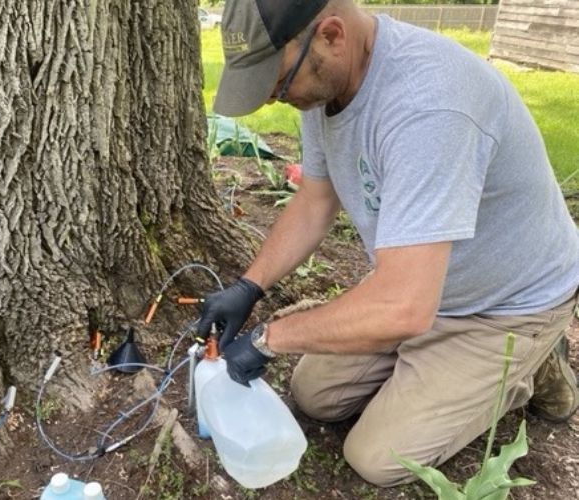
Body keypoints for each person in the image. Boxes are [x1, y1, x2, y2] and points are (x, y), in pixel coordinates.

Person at [198, 0, 579, 487]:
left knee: (376, 456)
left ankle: (533, 364)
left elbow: (403, 307)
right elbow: (315, 200)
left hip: (505, 305)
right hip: (422, 285)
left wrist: (268, 339)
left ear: (331, 35)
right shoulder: (326, 82)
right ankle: (434, 366)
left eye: (279, 85)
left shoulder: (431, 106)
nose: (278, 100)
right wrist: (250, 286)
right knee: (314, 395)